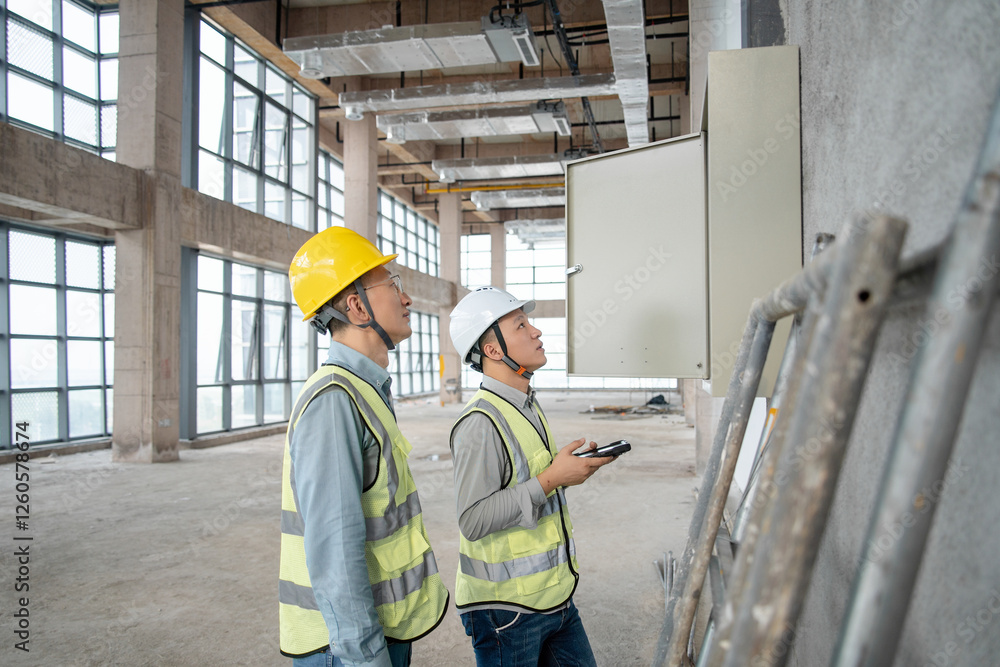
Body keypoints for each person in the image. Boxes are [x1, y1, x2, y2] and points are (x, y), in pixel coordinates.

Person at [279, 227, 449, 666]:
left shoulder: (363, 388)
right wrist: (365, 657)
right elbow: (334, 549)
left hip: (378, 631)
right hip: (346, 648)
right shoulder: (334, 401)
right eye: (393, 286)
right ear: (356, 307)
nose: (406, 298)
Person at [448, 286, 615, 666]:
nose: (536, 332)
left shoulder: (526, 403)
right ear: (492, 350)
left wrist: (563, 470)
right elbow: (473, 520)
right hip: (506, 612)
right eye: (521, 325)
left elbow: (531, 477)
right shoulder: (480, 422)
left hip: (553, 597)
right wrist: (552, 479)